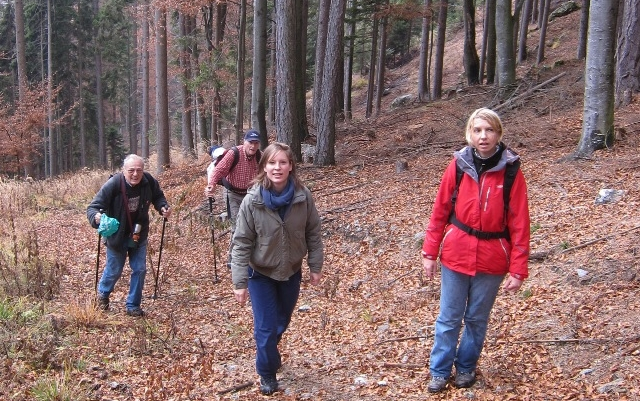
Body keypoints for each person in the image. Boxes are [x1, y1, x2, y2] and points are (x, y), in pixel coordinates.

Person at [421, 108, 530, 393]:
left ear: (498, 134)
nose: (483, 136)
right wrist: (429, 253)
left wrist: (518, 269)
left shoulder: (511, 170)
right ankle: (440, 370)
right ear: (469, 133)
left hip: (493, 259)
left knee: (477, 319)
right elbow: (440, 210)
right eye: (478, 130)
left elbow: (520, 222)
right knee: (448, 317)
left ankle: (466, 367)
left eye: (489, 130)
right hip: (456, 254)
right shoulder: (457, 165)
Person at [230, 142, 324, 395]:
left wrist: (315, 265)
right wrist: (239, 282)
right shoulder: (253, 201)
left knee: (281, 322)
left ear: (291, 166)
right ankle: (267, 373)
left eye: (283, 162)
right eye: (272, 162)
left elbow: (313, 232)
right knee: (266, 327)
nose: (277, 167)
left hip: (291, 271)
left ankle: (269, 348)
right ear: (264, 167)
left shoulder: (303, 197)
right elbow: (240, 242)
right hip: (260, 273)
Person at [87, 154, 171, 317]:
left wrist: (163, 207)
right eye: (131, 170)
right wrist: (96, 217)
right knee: (114, 270)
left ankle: (133, 305)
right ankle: (102, 295)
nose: (135, 174)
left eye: (139, 170)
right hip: (116, 235)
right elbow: (93, 207)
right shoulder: (113, 184)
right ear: (123, 170)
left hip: (139, 233)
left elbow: (158, 197)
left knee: (140, 269)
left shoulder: (148, 181)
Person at [205, 129, 262, 268]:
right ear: (244, 142)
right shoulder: (234, 153)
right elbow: (219, 170)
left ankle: (251, 259)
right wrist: (211, 185)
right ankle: (233, 260)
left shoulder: (261, 156)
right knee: (237, 226)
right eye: (250, 142)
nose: (253, 146)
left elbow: (267, 174)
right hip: (233, 194)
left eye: (256, 143)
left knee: (253, 226)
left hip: (250, 195)